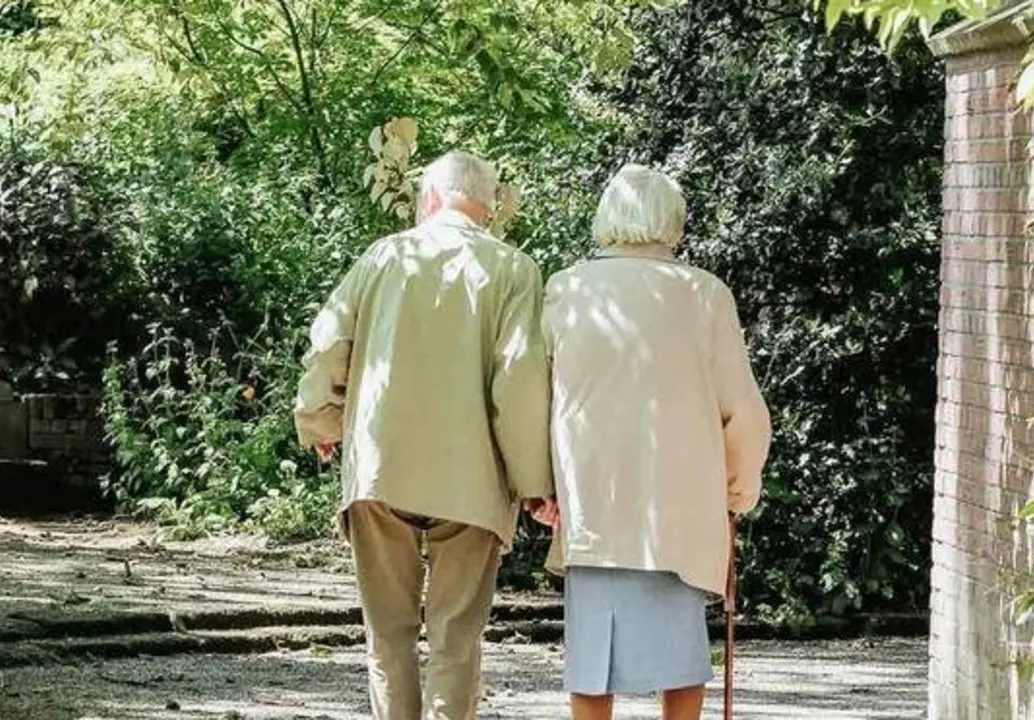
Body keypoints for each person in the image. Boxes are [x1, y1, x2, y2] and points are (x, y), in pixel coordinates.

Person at [294, 151, 554, 720]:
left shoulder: (383, 256)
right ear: (488, 208)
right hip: (472, 478)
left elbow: (328, 343)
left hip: (381, 467)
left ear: (430, 198)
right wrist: (534, 483)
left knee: (387, 635)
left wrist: (320, 420)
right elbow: (519, 379)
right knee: (456, 639)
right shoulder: (514, 269)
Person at [532, 163, 771, 720]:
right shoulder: (704, 294)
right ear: (673, 222)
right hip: (679, 507)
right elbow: (742, 409)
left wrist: (539, 486)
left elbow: (535, 397)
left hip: (592, 501)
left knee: (592, 659)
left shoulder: (567, 289)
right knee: (681, 658)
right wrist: (738, 490)